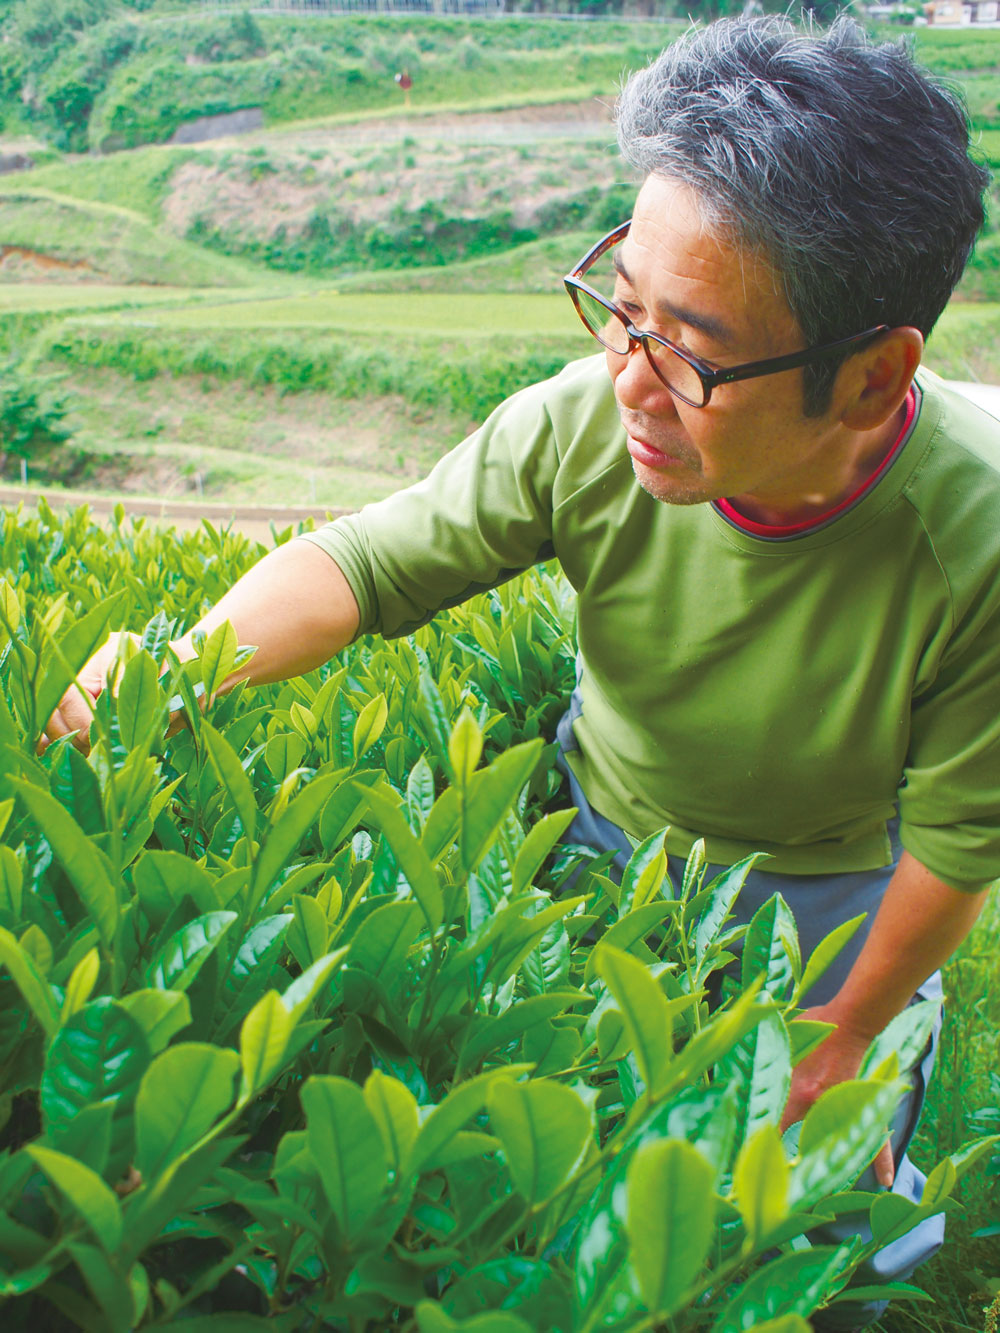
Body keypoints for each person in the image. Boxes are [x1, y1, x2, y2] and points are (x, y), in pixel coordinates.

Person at [46, 17, 996, 1329]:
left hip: (835, 895)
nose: (629, 380)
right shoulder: (578, 423)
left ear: (874, 376)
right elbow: (366, 565)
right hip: (608, 842)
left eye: (690, 349)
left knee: (815, 1266)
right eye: (622, 305)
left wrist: (843, 1036)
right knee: (568, 1221)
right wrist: (172, 666)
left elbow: (953, 847)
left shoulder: (976, 533)